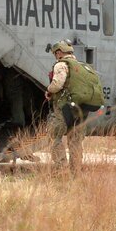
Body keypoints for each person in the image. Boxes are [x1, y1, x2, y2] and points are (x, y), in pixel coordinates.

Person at [45, 40, 85, 172]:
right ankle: (76, 171)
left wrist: (49, 91)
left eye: (55, 53)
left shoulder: (61, 65)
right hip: (80, 109)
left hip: (64, 107)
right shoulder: (81, 67)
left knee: (54, 136)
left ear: (59, 52)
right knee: (75, 140)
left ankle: (61, 168)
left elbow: (57, 84)